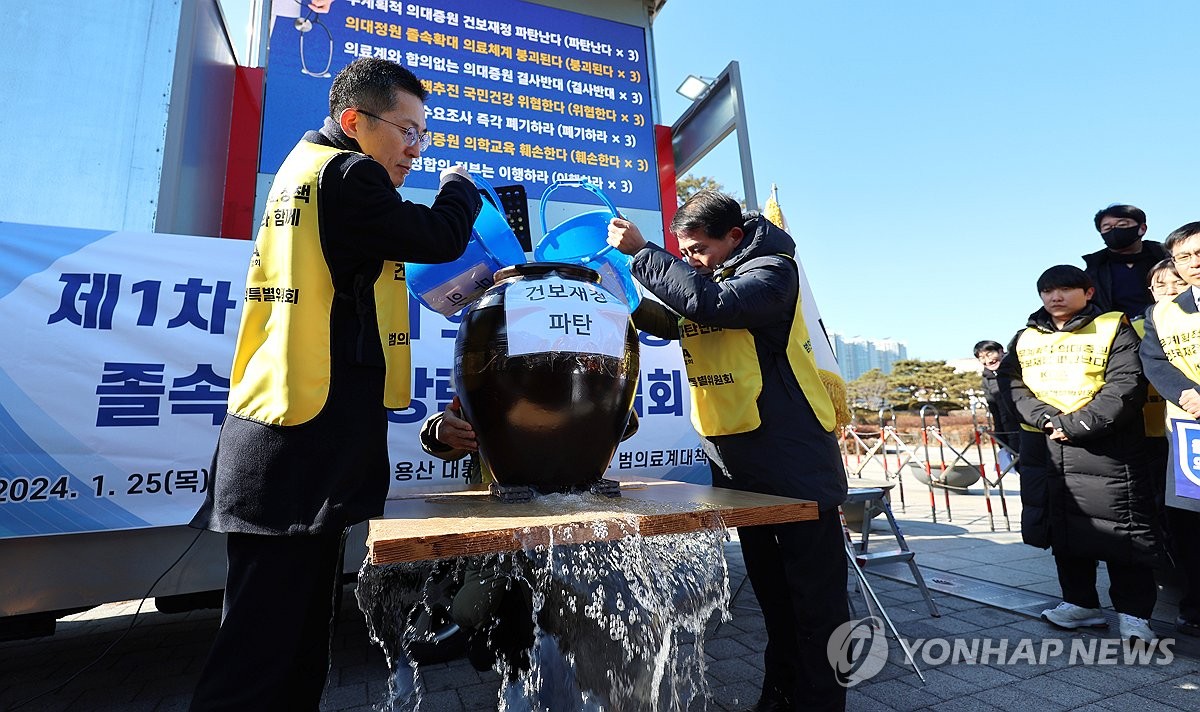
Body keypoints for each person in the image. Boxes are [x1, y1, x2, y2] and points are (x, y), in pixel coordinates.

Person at [188, 57, 482, 711]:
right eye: (407, 131)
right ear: (355, 121)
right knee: (257, 663)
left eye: (423, 136)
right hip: (294, 454)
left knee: (290, 652)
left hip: (290, 445)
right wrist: (462, 187)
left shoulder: (307, 170)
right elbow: (436, 235)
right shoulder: (347, 175)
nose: (415, 149)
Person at [607, 190, 849, 712]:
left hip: (795, 462)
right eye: (684, 250)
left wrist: (644, 252)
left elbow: (716, 307)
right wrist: (624, 297)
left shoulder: (772, 271)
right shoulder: (715, 280)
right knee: (776, 601)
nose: (690, 258)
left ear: (734, 237)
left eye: (697, 249)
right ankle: (780, 697)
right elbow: (679, 320)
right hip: (739, 464)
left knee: (817, 606)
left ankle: (821, 703)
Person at [1000, 265, 1162, 642]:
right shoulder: (1025, 337)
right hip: (1044, 445)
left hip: (1105, 445)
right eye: (1047, 291)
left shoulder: (1111, 325)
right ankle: (1080, 604)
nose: (1055, 296)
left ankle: (1134, 615)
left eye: (1065, 289)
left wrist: (1075, 424)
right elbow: (1011, 383)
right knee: (1063, 527)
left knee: (1122, 530)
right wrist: (1046, 420)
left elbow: (1126, 383)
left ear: (1087, 292)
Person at [1139, 223, 1200, 637]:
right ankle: (1196, 606)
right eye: (1185, 257)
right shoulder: (1164, 311)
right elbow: (1156, 362)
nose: (1194, 264)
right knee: (1192, 527)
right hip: (1188, 432)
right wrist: (1188, 395)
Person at [1083, 203, 1167, 318]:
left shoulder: (1165, 257)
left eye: (1122, 224)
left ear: (1142, 229)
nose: (1114, 230)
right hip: (1118, 331)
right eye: (1107, 228)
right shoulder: (1094, 270)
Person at [972, 340, 1021, 456]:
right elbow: (995, 410)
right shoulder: (987, 380)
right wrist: (1000, 437)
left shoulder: (1018, 368)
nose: (988, 360)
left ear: (1000, 351)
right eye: (982, 357)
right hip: (1010, 429)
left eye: (989, 354)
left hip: (1031, 425)